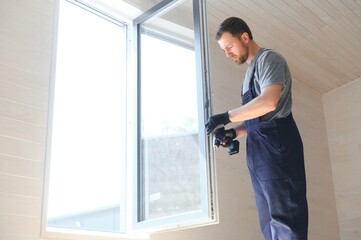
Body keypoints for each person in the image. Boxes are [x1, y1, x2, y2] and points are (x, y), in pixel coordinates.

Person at [206, 17, 308, 240]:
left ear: (244, 37)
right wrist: (233, 133)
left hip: (277, 148)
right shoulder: (247, 76)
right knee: (269, 223)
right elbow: (257, 118)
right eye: (224, 50)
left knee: (286, 220)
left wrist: (226, 117)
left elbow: (268, 102)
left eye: (229, 47)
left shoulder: (269, 59)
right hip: (259, 152)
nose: (228, 54)